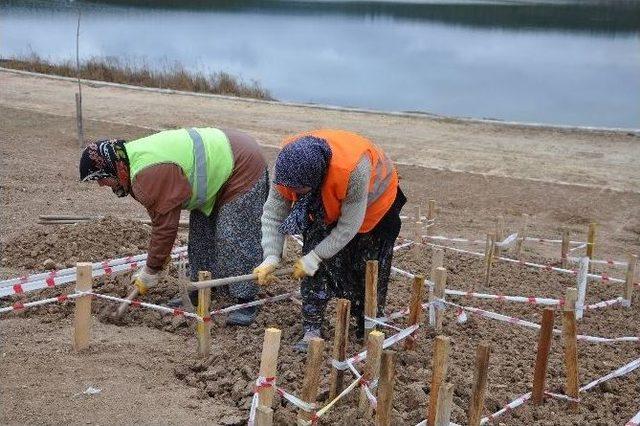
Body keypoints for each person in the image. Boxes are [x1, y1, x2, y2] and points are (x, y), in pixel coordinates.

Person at [79, 127, 268, 325]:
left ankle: (245, 301)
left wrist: (151, 269)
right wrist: (160, 258)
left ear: (113, 168)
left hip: (242, 165)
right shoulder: (131, 161)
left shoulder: (147, 174)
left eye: (101, 178)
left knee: (234, 236)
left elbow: (165, 227)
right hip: (218, 171)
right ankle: (201, 289)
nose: (101, 184)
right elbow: (161, 217)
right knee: (201, 237)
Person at [253, 129, 406, 351]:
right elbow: (273, 213)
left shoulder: (353, 169)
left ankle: (369, 326)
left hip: (376, 206)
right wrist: (271, 256)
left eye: (298, 190)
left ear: (317, 178)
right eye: (290, 189)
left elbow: (348, 228)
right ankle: (312, 329)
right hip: (328, 197)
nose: (292, 192)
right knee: (315, 263)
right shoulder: (287, 167)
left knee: (367, 267)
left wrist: (315, 257)